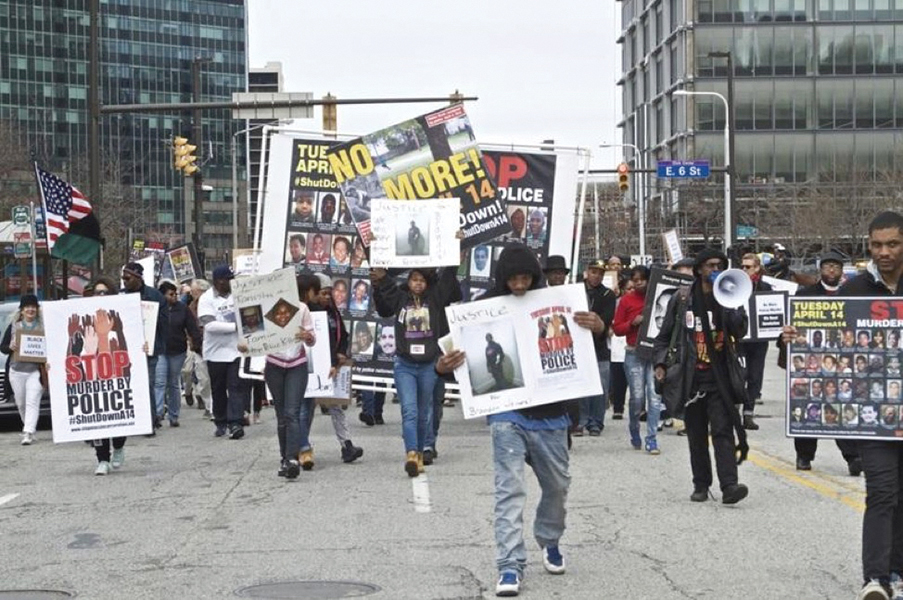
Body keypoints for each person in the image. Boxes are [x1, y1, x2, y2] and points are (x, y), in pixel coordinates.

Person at [435, 245, 601, 597]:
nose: (520, 285)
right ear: (502, 277)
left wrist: (597, 326)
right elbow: (456, 357)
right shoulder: (484, 307)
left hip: (553, 414)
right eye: (513, 278)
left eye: (526, 277)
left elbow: (589, 345)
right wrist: (443, 366)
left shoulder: (556, 301)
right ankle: (509, 565)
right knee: (509, 491)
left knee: (557, 486)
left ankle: (549, 538)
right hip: (507, 415)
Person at [782, 212, 903, 600]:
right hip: (874, 416)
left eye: (892, 244)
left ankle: (898, 568)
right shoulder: (855, 289)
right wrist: (796, 337)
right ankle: (877, 579)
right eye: (876, 245)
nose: (883, 252)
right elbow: (829, 340)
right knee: (882, 492)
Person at [653, 248, 750, 504]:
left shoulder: (729, 296)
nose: (714, 269)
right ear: (698, 269)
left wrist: (731, 306)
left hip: (720, 378)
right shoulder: (683, 298)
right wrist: (661, 363)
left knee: (722, 432)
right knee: (696, 435)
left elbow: (741, 331)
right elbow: (664, 337)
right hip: (691, 377)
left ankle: (729, 486)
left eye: (719, 264)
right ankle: (701, 484)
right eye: (709, 265)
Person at [372, 265, 460, 477]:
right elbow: (388, 288)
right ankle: (411, 453)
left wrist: (455, 253)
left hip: (430, 365)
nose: (418, 283)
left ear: (428, 282)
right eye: (414, 279)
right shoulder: (401, 300)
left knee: (423, 412)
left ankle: (420, 452)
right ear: (408, 282)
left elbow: (448, 277)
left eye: (422, 279)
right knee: (409, 410)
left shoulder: (436, 299)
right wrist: (382, 277)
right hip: (405, 366)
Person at [786, 250, 863, 474]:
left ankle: (853, 457)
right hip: (812, 360)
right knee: (808, 405)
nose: (831, 270)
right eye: (827, 266)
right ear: (820, 270)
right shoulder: (805, 295)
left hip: (842, 362)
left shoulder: (851, 295)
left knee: (842, 406)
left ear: (841, 271)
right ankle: (804, 455)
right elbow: (792, 326)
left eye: (836, 266)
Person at [238, 275, 315, 480]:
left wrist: (307, 336)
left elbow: (312, 340)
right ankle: (284, 458)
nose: (281, 314)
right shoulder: (264, 309)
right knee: (282, 415)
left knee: (292, 412)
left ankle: (292, 458)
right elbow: (248, 339)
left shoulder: (302, 309)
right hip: (274, 366)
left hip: (296, 366)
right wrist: (244, 345)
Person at [311, 273, 364, 465]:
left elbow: (344, 334)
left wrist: (341, 352)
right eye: (322, 293)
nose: (326, 297)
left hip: (333, 366)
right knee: (307, 410)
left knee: (337, 407)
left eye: (328, 293)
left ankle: (346, 445)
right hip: (314, 368)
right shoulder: (309, 312)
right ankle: (304, 447)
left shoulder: (333, 312)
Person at [80, 278, 131, 474]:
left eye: (105, 292)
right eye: (97, 292)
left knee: (118, 413)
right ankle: (102, 459)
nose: (100, 296)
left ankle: (118, 446)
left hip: (116, 372)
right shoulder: (84, 317)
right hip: (93, 373)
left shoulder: (121, 316)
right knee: (97, 417)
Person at [612, 266, 663, 454]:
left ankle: (651, 438)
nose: (638, 282)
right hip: (634, 353)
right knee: (637, 397)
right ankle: (634, 428)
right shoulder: (626, 300)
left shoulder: (659, 299)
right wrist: (632, 323)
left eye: (643, 279)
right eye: (635, 279)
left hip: (655, 354)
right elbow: (617, 328)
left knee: (655, 397)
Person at [197, 265, 247, 440]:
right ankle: (220, 420)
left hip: (235, 351)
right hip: (215, 352)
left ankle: (235, 422)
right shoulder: (206, 299)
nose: (231, 282)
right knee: (218, 389)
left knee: (235, 387)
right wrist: (237, 327)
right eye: (228, 279)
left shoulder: (238, 295)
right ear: (219, 281)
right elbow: (209, 325)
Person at [121, 262, 167, 432]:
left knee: (147, 384)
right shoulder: (121, 297)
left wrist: (155, 344)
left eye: (127, 278)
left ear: (138, 277)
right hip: (126, 351)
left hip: (148, 349)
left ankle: (149, 421)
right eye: (123, 278)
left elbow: (163, 324)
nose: (124, 281)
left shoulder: (155, 296)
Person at [574, 259, 616, 436]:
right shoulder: (575, 290)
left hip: (598, 346)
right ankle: (580, 420)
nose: (596, 276)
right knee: (581, 385)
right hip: (578, 346)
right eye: (593, 272)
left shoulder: (608, 295)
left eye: (600, 273)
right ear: (586, 272)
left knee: (600, 387)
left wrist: (598, 326)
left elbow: (605, 320)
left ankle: (596, 422)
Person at [154, 281, 202, 428]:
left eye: (175, 294)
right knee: (160, 382)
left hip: (177, 350)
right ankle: (157, 413)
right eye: (171, 294)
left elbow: (192, 327)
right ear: (162, 295)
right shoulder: (155, 308)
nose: (174, 296)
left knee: (173, 383)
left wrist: (197, 342)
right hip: (161, 350)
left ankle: (174, 415)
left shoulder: (182, 309)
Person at [0, 294, 44, 446]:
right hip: (16, 371)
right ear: (22, 310)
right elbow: (3, 347)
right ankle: (29, 426)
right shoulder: (14, 326)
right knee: (21, 403)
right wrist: (10, 347)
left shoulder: (43, 327)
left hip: (35, 371)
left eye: (33, 307)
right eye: (27, 307)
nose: (31, 309)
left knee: (32, 401)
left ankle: (28, 432)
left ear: (37, 309)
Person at [738, 253, 773, 430]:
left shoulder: (766, 287)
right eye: (742, 266)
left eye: (748, 267)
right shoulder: (736, 286)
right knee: (739, 375)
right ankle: (734, 411)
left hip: (759, 341)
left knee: (754, 376)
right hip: (740, 339)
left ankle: (748, 413)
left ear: (757, 268)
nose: (744, 270)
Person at [182, 279, 212, 416]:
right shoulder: (191, 307)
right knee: (203, 379)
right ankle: (207, 402)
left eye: (194, 292)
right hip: (197, 347)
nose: (192, 294)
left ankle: (213, 407)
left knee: (215, 378)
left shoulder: (213, 304)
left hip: (214, 345)